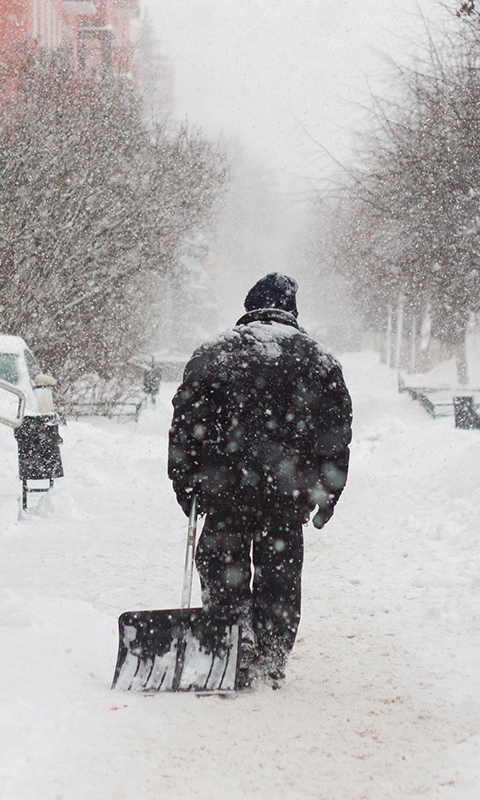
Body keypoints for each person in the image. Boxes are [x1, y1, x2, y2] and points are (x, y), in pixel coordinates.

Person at [168, 273, 352, 689]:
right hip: (287, 493)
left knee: (222, 564)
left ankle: (232, 634)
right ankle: (271, 652)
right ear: (292, 312)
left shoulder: (213, 354)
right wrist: (327, 492)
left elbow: (185, 425)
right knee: (280, 572)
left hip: (223, 487)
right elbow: (335, 433)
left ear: (249, 307)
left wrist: (187, 484)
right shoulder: (318, 359)